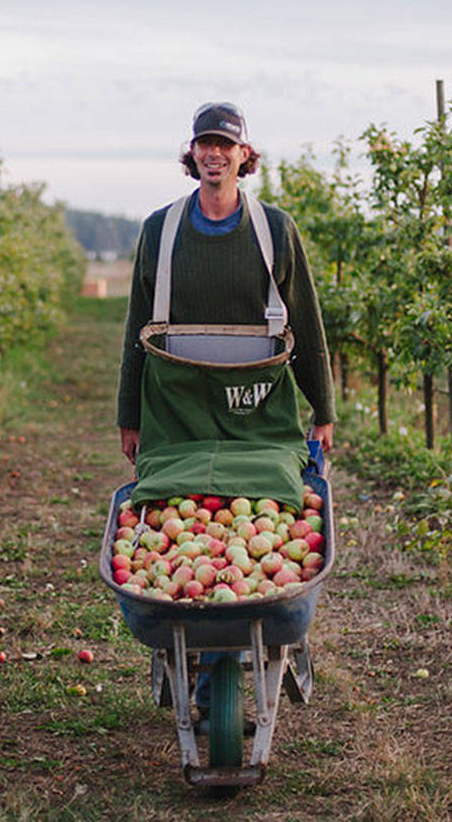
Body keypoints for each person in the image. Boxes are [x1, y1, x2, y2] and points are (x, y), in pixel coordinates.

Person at [114, 101, 336, 725]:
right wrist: (129, 413)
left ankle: (226, 654)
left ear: (244, 155)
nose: (214, 154)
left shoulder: (275, 230)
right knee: (181, 510)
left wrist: (322, 406)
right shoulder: (162, 230)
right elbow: (138, 326)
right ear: (192, 155)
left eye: (225, 145)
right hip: (179, 410)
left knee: (269, 502)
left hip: (257, 408)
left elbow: (307, 323)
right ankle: (221, 655)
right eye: (204, 145)